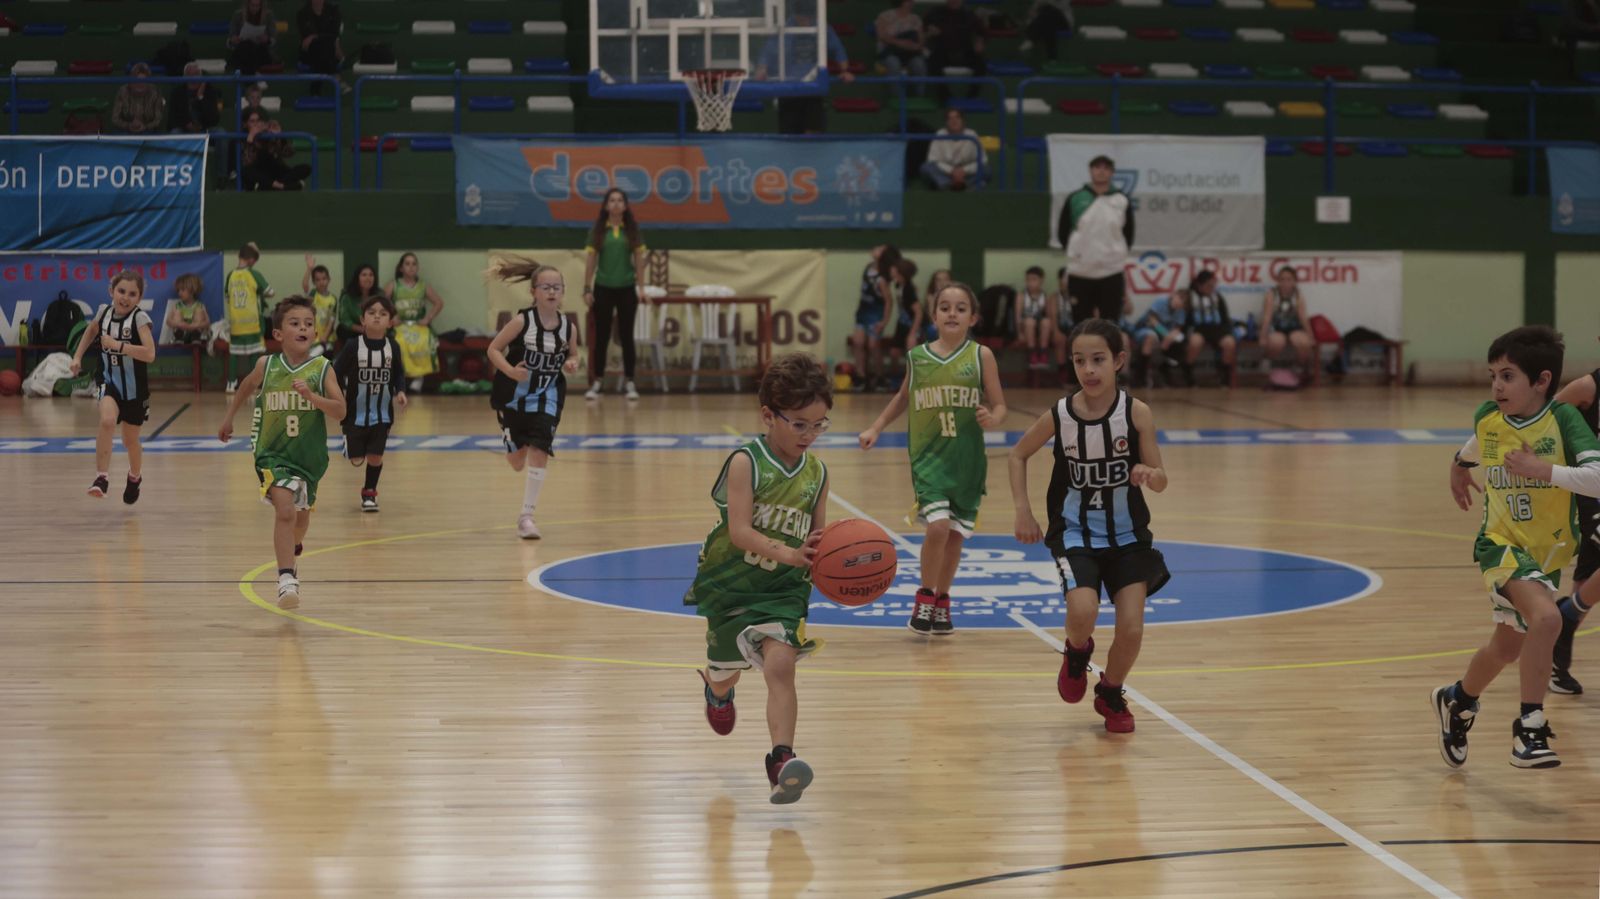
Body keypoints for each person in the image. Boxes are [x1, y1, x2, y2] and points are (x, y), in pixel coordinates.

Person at [1436, 326, 1600, 769]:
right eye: (1493, 375)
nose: (1496, 385)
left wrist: (1541, 469)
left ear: (1542, 380)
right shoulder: (1489, 417)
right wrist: (1456, 467)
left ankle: (1458, 698)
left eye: (1507, 376)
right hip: (1500, 544)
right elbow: (1471, 450)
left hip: (1547, 554)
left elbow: (1597, 478)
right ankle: (1530, 728)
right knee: (1547, 619)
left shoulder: (1565, 421)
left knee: (1507, 649)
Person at [1009, 318, 1171, 733]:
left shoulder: (1137, 413)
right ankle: (1077, 652)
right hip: (1075, 532)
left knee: (1132, 629)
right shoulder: (1061, 415)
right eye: (1080, 361)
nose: (1089, 370)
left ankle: (1111, 691)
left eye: (1098, 360)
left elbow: (1161, 477)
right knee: (1082, 611)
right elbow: (1017, 455)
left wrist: (1148, 474)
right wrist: (1023, 510)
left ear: (1118, 361)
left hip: (1129, 536)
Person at [686, 352, 833, 803]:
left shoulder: (818, 473)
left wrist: (837, 566)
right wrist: (790, 552)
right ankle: (717, 690)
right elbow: (740, 530)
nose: (810, 435)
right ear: (769, 415)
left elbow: (818, 538)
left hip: (783, 590)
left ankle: (782, 761)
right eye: (800, 424)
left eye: (819, 425)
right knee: (726, 672)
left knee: (781, 664)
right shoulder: (746, 462)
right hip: (731, 584)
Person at [860, 281, 1007, 635]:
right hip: (929, 458)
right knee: (938, 527)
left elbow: (1000, 404)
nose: (952, 313)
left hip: (968, 461)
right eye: (945, 307)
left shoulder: (981, 355)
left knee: (954, 536)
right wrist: (876, 427)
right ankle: (925, 596)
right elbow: (902, 397)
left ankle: (943, 598)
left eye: (960, 308)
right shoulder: (918, 356)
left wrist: (993, 417)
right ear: (934, 315)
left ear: (973, 317)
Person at [218, 296, 346, 610]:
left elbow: (341, 411)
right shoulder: (268, 365)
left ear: (315, 333)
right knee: (285, 511)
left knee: (300, 521)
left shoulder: (322, 368)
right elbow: (246, 386)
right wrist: (229, 417)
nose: (303, 328)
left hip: (309, 459)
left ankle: (295, 545)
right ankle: (286, 578)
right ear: (278, 334)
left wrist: (312, 397)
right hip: (271, 454)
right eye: (295, 323)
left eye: (308, 324)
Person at [486, 258, 583, 540]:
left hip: (548, 396)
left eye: (557, 287)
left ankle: (526, 516)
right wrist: (509, 371)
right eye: (546, 287)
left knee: (540, 449)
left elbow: (574, 354)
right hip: (515, 398)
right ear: (534, 292)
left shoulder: (568, 328)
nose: (552, 292)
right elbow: (493, 349)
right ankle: (518, 442)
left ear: (563, 292)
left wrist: (573, 363)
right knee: (517, 462)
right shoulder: (522, 321)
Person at [70, 271, 157, 504]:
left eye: (132, 294)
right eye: (121, 291)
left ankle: (135, 477)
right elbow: (90, 331)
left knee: (130, 441)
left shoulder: (139, 319)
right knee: (107, 421)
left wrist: (119, 346)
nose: (125, 297)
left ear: (139, 298)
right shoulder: (103, 312)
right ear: (111, 291)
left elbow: (150, 354)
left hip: (135, 390)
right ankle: (101, 478)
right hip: (108, 381)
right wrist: (77, 357)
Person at [1549, 356, 1600, 695]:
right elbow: (1542, 420)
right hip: (1593, 488)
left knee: (1588, 574)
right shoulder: (1586, 387)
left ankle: (1561, 633)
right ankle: (1565, 621)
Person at [333, 295, 406, 512]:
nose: (377, 317)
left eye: (383, 314)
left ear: (390, 322)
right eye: (372, 313)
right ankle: (350, 443)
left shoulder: (393, 347)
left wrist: (400, 391)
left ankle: (369, 493)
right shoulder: (353, 346)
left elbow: (399, 373)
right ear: (362, 319)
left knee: (375, 456)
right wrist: (339, 393)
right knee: (357, 458)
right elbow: (336, 373)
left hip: (382, 414)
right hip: (355, 412)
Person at [582, 188, 648, 401]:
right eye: (612, 200)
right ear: (606, 205)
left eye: (620, 200)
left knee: (627, 336)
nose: (616, 204)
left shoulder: (632, 230)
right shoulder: (599, 230)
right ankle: (597, 381)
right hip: (603, 287)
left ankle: (630, 381)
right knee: (601, 337)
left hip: (627, 288)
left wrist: (642, 288)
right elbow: (591, 260)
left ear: (626, 206)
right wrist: (587, 287)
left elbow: (639, 261)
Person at [1057, 155, 1133, 327]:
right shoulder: (1075, 198)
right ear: (1090, 171)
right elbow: (1063, 232)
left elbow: (1128, 234)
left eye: (1106, 168)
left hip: (1111, 272)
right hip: (1080, 272)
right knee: (1081, 325)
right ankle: (1079, 356)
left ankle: (1109, 355)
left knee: (1110, 325)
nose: (1101, 171)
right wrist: (1077, 255)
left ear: (1112, 173)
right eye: (1097, 167)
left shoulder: (1122, 200)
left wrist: (1114, 254)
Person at [755, 10, 854, 135]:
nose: (804, 20)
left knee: (813, 131)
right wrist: (762, 68)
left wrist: (845, 71)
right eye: (801, 16)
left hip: (813, 86)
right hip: (788, 87)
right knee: (789, 135)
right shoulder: (784, 27)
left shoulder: (822, 27)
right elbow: (768, 51)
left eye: (807, 16)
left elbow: (838, 49)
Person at [385, 252, 444, 393]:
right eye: (407, 264)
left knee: (424, 340)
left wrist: (428, 318)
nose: (411, 267)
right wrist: (391, 318)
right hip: (400, 325)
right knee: (398, 342)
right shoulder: (393, 285)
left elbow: (439, 303)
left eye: (414, 264)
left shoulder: (423, 285)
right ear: (401, 268)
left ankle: (419, 378)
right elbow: (381, 304)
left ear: (417, 267)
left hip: (418, 324)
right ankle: (400, 378)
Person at [847, 245, 900, 392]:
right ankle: (861, 376)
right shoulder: (868, 267)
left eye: (880, 249)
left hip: (875, 314)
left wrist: (884, 321)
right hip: (863, 312)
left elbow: (889, 301)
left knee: (873, 345)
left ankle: (880, 376)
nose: (875, 249)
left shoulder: (882, 278)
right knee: (858, 342)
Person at [225, 241, 274, 393]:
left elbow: (227, 297)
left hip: (236, 324)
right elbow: (271, 292)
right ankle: (253, 384)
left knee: (234, 353)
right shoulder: (254, 274)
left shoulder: (230, 275)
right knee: (255, 352)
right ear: (252, 260)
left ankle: (230, 384)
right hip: (252, 322)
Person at [922, 0, 986, 105]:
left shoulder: (970, 14)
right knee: (933, 62)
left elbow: (981, 32)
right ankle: (945, 98)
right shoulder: (935, 12)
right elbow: (923, 28)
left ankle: (971, 97)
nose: (954, 1)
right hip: (943, 51)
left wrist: (979, 42)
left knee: (981, 64)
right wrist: (929, 30)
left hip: (965, 51)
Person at [1260, 267, 1315, 381]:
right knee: (1277, 342)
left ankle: (1298, 368)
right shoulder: (1271, 294)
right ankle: (1267, 361)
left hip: (1294, 328)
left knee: (1304, 343)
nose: (1285, 283)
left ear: (1294, 281)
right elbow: (1267, 317)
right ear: (1278, 281)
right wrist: (1263, 336)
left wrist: (1311, 336)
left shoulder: (1298, 295)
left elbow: (1303, 317)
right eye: (1282, 279)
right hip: (1276, 328)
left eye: (1289, 279)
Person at [1183, 270, 1235, 387]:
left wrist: (1227, 331)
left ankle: (1223, 373)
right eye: (1208, 285)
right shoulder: (1191, 297)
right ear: (1200, 285)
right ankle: (1188, 372)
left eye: (1213, 285)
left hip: (1217, 329)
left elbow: (1225, 318)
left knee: (1229, 343)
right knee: (1195, 343)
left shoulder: (1217, 298)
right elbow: (1185, 319)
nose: (1212, 288)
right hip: (1198, 329)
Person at [241, 110, 310, 191]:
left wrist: (280, 136)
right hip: (258, 174)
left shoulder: (269, 135)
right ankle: (286, 186)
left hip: (274, 173)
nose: (256, 124)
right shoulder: (241, 137)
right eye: (252, 121)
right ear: (245, 124)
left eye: (258, 120)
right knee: (247, 171)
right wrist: (251, 139)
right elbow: (247, 162)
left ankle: (274, 186)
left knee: (306, 168)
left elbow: (289, 153)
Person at [921, 107, 987, 191]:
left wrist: (964, 170)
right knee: (926, 168)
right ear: (946, 122)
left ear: (963, 121)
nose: (954, 121)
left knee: (986, 170)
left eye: (957, 117)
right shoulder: (940, 134)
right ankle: (948, 185)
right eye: (950, 118)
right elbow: (932, 160)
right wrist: (952, 171)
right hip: (946, 173)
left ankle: (964, 184)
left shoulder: (972, 135)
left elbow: (983, 160)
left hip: (966, 173)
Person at [1133, 288, 1188, 389]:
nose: (1179, 302)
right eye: (1180, 298)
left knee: (1179, 339)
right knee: (1151, 337)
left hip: (1165, 335)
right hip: (1146, 328)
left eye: (1183, 302)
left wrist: (1170, 337)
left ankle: (1166, 370)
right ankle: (1141, 374)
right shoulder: (1161, 301)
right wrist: (1165, 334)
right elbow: (1152, 320)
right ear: (1173, 295)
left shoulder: (1181, 311)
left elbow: (1177, 328)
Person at [296, 0, 347, 95]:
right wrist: (318, 38)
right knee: (322, 46)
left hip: (328, 49)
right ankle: (336, 77)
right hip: (310, 51)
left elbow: (334, 33)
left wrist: (315, 36)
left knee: (324, 47)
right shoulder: (302, 13)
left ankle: (315, 88)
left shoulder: (333, 11)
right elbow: (306, 35)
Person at [875, 0, 927, 88]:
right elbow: (881, 36)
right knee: (894, 63)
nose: (911, 3)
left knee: (919, 64)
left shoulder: (916, 19)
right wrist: (900, 42)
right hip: (889, 52)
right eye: (907, 1)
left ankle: (920, 97)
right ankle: (896, 98)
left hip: (910, 53)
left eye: (912, 1)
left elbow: (920, 41)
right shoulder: (885, 16)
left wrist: (915, 46)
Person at [111, 63, 166, 135]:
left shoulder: (155, 92)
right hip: (126, 131)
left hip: (149, 131)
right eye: (136, 80)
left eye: (143, 81)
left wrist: (146, 127)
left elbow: (158, 119)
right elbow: (115, 118)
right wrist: (128, 125)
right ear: (130, 81)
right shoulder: (123, 91)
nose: (140, 84)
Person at [168, 62, 222, 134]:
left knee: (220, 133)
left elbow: (214, 118)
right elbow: (172, 117)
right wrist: (186, 124)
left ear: (201, 75)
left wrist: (200, 97)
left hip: (205, 129)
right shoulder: (177, 92)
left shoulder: (209, 90)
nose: (193, 77)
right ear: (184, 76)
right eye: (189, 74)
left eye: (196, 74)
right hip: (184, 128)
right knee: (175, 132)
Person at [300, 255, 339, 356]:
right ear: (314, 282)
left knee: (327, 364)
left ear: (329, 279)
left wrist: (325, 337)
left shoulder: (333, 299)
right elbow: (305, 286)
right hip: (313, 338)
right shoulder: (313, 294)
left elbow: (332, 320)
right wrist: (309, 269)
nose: (321, 282)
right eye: (318, 280)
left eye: (324, 278)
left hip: (328, 339)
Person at [228, 0, 278, 77]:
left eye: (257, 5)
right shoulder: (238, 15)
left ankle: (250, 83)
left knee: (250, 52)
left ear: (261, 6)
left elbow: (273, 39)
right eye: (252, 5)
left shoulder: (268, 15)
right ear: (247, 4)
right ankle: (255, 78)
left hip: (261, 51)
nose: (255, 8)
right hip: (243, 50)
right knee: (247, 46)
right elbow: (230, 39)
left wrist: (267, 39)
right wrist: (234, 40)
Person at [1015, 266, 1050, 368]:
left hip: (1039, 330)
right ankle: (1032, 354)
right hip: (1026, 328)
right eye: (1028, 280)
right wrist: (1019, 333)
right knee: (1030, 321)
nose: (1030, 283)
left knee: (1046, 322)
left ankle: (1043, 354)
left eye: (1034, 279)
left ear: (1041, 280)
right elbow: (1017, 317)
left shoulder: (1044, 296)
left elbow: (1048, 316)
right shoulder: (1021, 296)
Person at [336, 263, 380, 341]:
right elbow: (344, 319)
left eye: (371, 275)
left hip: (374, 328)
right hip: (355, 330)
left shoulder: (379, 295)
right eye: (364, 275)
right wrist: (362, 330)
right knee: (342, 330)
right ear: (357, 278)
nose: (368, 278)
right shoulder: (347, 296)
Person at [165, 273, 211, 345]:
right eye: (178, 290)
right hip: (181, 331)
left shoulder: (200, 305)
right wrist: (179, 324)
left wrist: (196, 326)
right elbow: (168, 321)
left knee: (199, 311)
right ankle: (179, 336)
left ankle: (195, 337)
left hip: (195, 332)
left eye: (182, 290)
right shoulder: (177, 306)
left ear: (192, 290)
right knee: (177, 312)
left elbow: (207, 322)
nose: (179, 293)